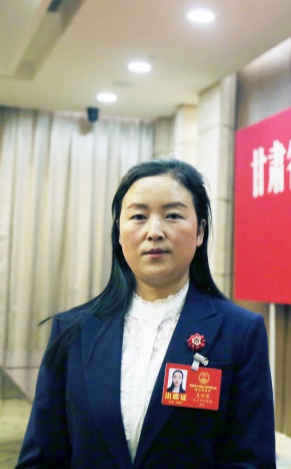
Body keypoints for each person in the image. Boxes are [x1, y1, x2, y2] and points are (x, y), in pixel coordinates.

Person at [17, 158, 275, 468]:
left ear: (200, 231)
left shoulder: (240, 332)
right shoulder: (73, 331)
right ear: (119, 231)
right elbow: (42, 457)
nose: (154, 231)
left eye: (173, 215)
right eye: (139, 216)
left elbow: (251, 460)